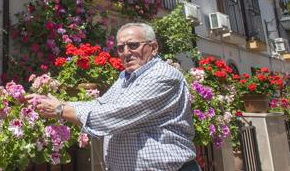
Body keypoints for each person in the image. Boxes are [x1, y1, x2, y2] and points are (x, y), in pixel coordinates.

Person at [28, 22, 199, 171]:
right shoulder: (126, 77)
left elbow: (116, 114)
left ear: (153, 48)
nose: (126, 52)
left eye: (133, 45)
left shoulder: (163, 76)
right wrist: (61, 103)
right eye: (120, 47)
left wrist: (60, 110)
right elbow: (101, 104)